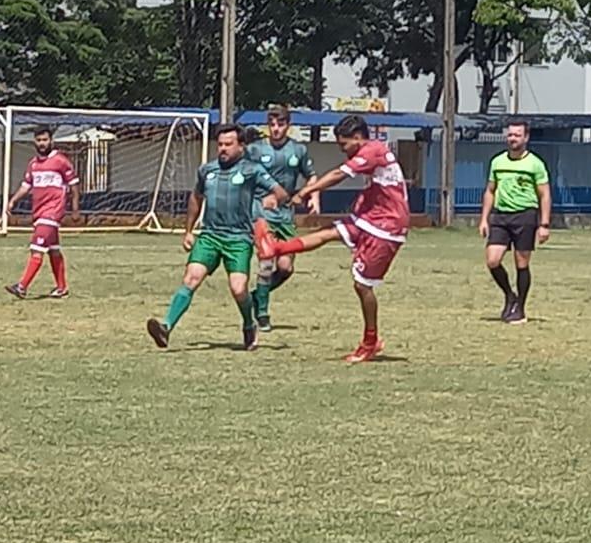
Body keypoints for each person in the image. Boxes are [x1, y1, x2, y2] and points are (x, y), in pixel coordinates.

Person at [255, 114, 409, 364]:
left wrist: (307, 190)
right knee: (329, 232)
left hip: (386, 226)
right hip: (371, 217)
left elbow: (339, 175)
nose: (343, 150)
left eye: (344, 145)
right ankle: (276, 248)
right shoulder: (370, 152)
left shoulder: (373, 150)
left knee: (362, 285)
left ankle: (370, 342)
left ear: (358, 138)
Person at [146, 124, 288, 351]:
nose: (222, 148)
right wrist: (189, 230)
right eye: (220, 144)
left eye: (228, 144)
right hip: (210, 236)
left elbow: (281, 192)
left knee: (239, 288)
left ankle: (249, 324)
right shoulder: (207, 170)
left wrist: (273, 200)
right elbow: (196, 197)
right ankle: (166, 327)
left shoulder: (252, 170)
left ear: (241, 146)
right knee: (191, 278)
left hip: (238, 238)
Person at [247, 105, 319, 331]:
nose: (276, 129)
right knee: (266, 261)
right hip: (261, 212)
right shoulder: (255, 150)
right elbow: (244, 175)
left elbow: (312, 177)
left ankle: (257, 295)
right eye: (272, 125)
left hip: (286, 214)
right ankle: (262, 314)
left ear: (289, 125)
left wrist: (312, 196)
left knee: (286, 267)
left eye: (280, 124)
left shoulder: (298, 150)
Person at [478, 120, 551, 324]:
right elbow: (490, 191)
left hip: (525, 216)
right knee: (493, 260)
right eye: (510, 135)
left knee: (521, 263)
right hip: (501, 216)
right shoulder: (498, 162)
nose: (513, 139)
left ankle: (520, 308)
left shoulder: (535, 163)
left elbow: (544, 194)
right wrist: (484, 218)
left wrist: (544, 224)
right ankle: (510, 295)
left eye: (517, 135)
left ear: (526, 138)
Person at [3, 126, 80, 298]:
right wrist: (13, 200)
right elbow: (26, 186)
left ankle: (22, 287)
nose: (42, 143)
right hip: (39, 212)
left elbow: (74, 185)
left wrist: (75, 210)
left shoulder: (61, 161)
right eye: (39, 140)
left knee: (36, 249)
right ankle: (61, 288)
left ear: (51, 140)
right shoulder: (34, 164)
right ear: (35, 142)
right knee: (53, 249)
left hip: (53, 211)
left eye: (45, 140)